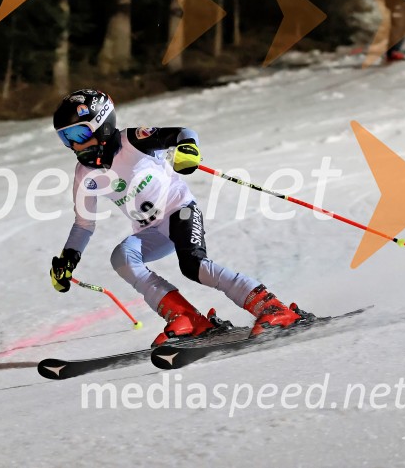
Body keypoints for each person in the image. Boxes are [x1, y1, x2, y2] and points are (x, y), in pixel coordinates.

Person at [48, 89, 312, 347]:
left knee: (193, 266)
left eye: (79, 133)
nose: (75, 145)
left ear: (102, 125)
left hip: (180, 210)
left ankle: (272, 307)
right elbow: (84, 224)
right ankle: (188, 319)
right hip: (151, 230)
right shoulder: (85, 175)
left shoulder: (134, 141)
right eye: (66, 138)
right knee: (122, 258)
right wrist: (68, 260)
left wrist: (187, 148)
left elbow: (181, 133)